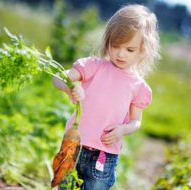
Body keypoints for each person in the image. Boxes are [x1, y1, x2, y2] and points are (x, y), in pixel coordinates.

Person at [53, 4, 160, 190]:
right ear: (107, 41)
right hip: (74, 145)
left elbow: (136, 121)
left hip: (104, 154)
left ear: (143, 50)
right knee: (63, 186)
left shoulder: (138, 86)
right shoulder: (95, 67)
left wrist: (122, 130)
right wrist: (70, 87)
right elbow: (58, 77)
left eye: (129, 49)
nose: (120, 53)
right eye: (115, 45)